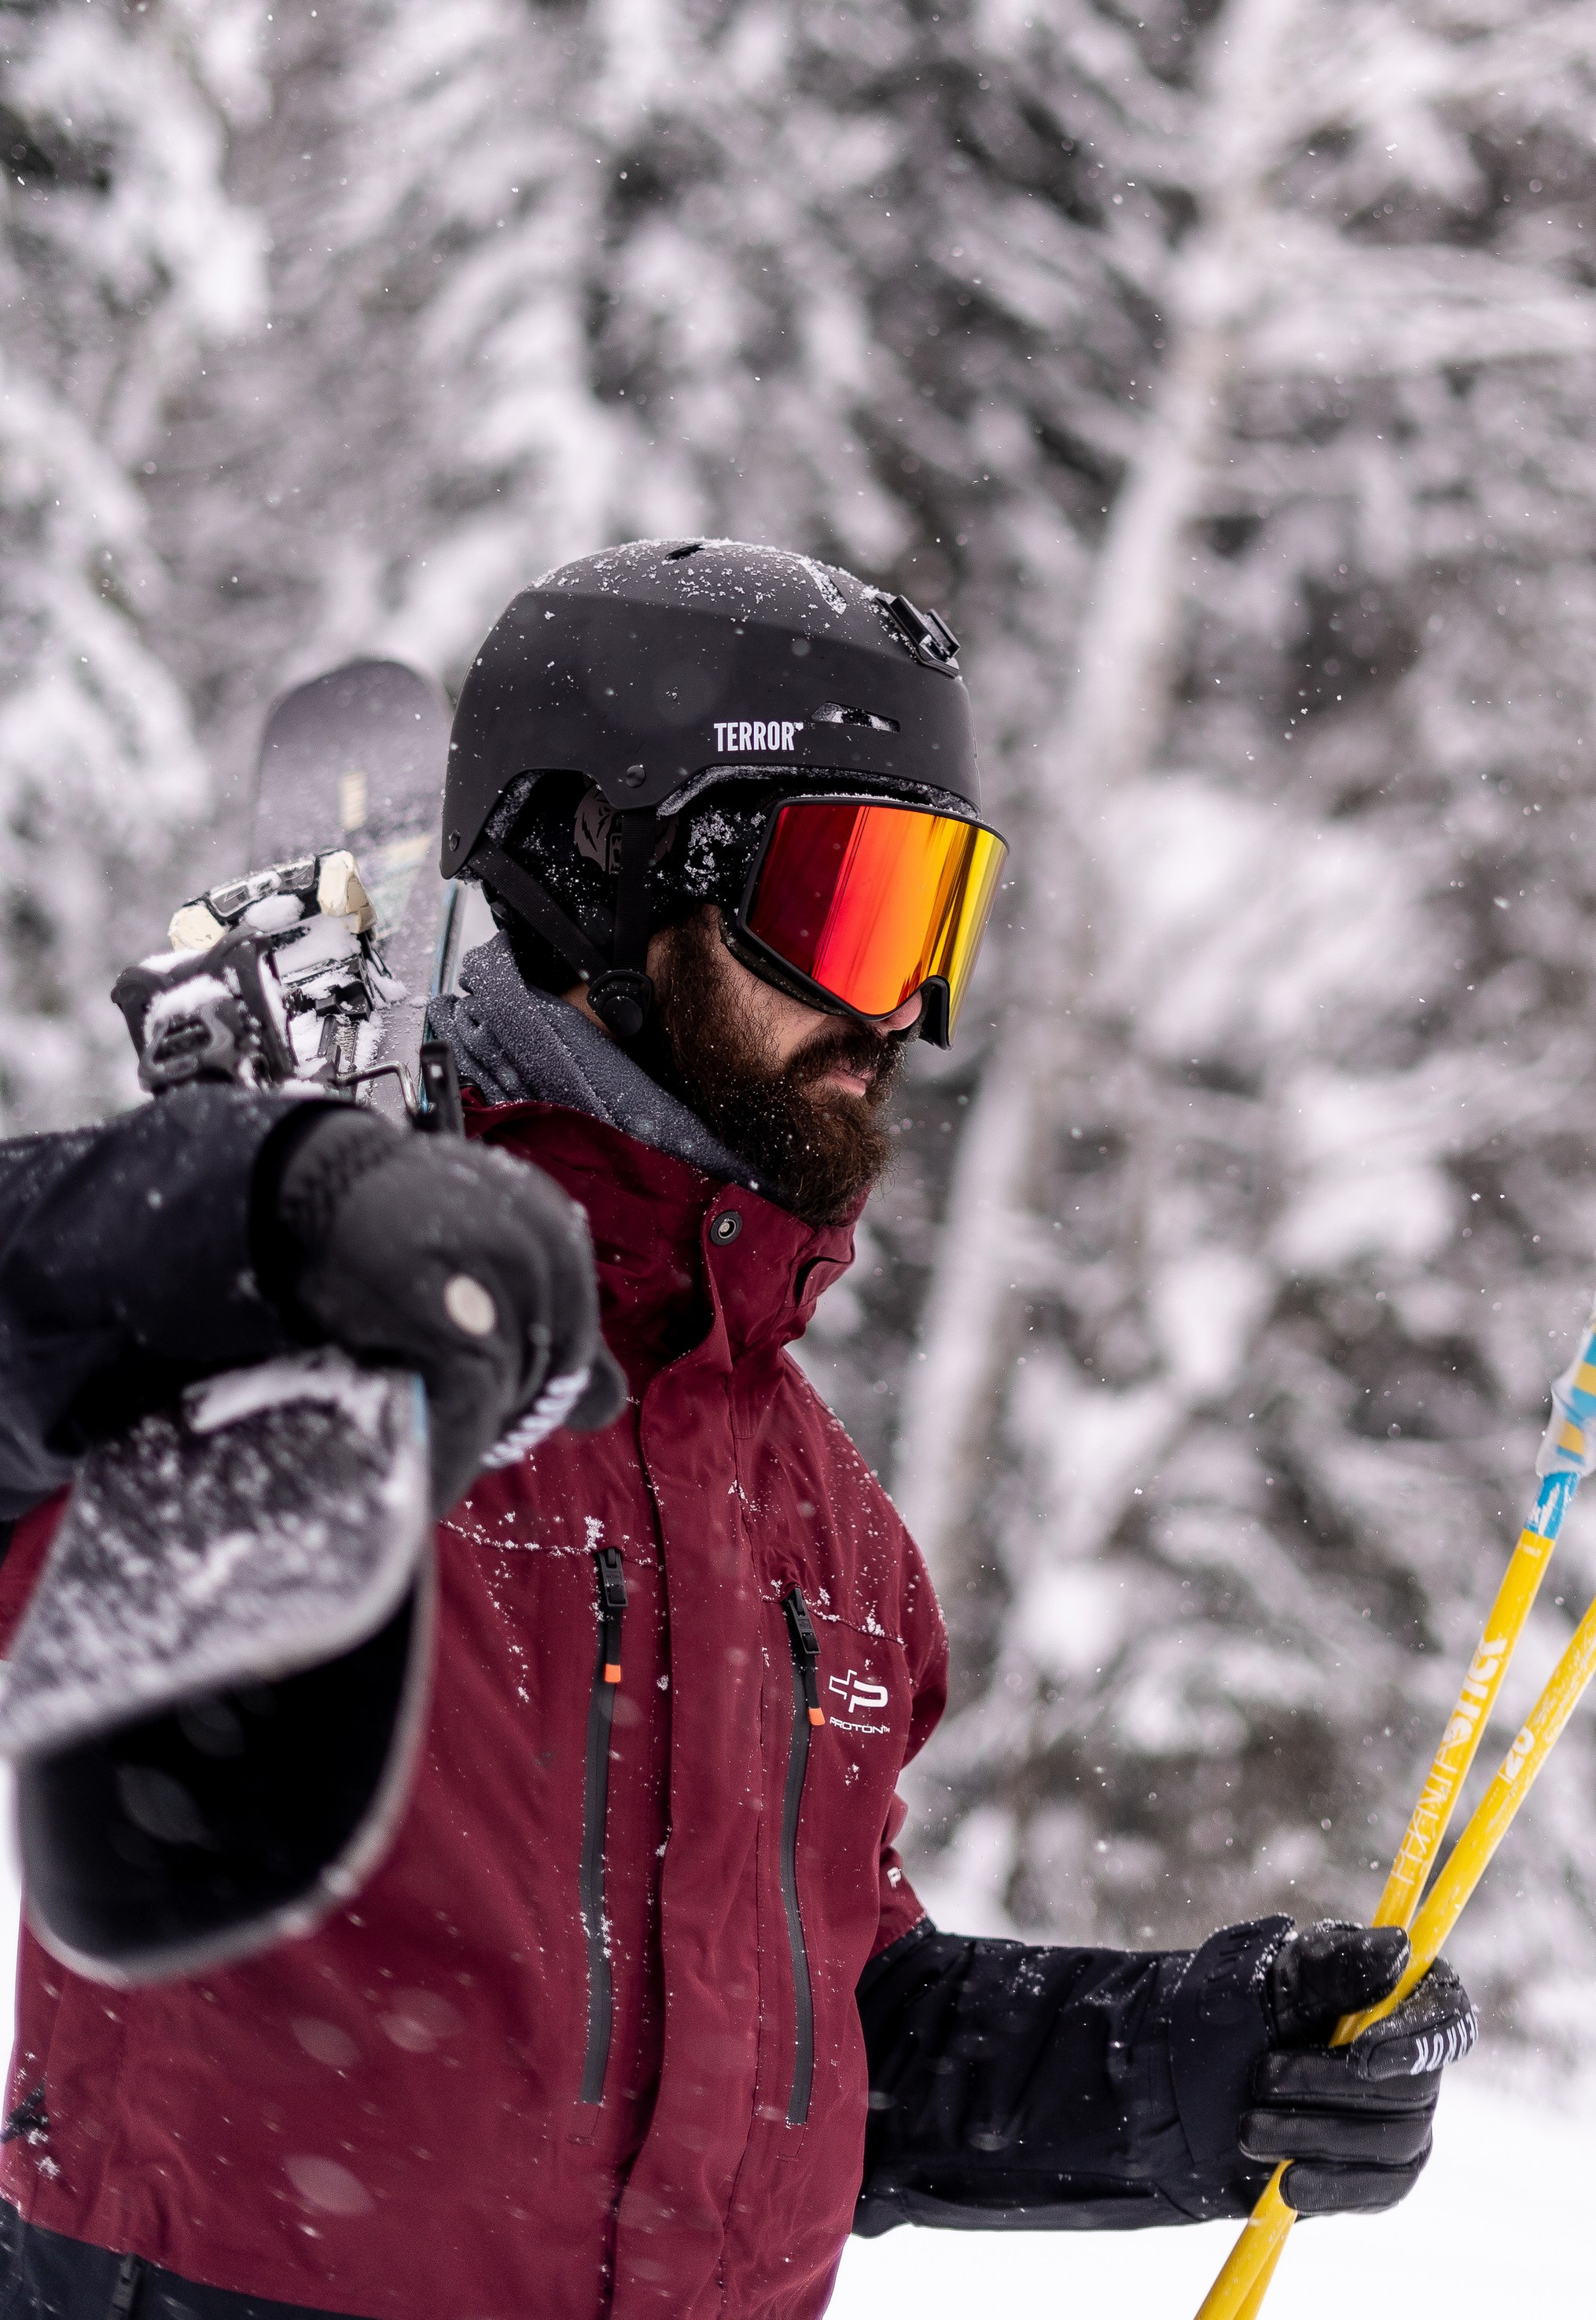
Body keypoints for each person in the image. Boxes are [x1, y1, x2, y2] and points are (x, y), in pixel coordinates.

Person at [0, 541, 1474, 2320]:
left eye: (935, 923)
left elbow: (812, 2041)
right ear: (601, 869)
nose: (898, 1013)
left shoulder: (817, 1523)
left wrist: (1193, 2073)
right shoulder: (271, 1336)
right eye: (849, 911)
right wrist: (231, 1222)